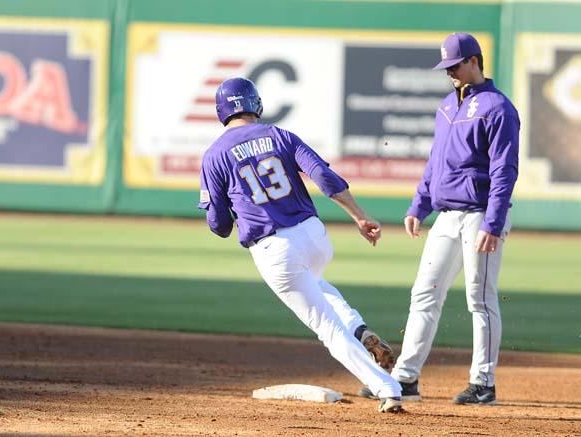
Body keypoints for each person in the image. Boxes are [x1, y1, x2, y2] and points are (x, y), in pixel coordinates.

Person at [198, 77, 403, 413]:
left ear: (222, 110)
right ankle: (359, 328)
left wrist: (225, 210)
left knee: (327, 328)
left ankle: (387, 387)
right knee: (319, 286)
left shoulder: (215, 155)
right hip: (314, 235)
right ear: (255, 104)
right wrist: (359, 216)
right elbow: (323, 176)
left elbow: (219, 226)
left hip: (274, 249)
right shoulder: (280, 135)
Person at [359, 33, 520, 405]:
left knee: (480, 299)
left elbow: (504, 171)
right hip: (446, 215)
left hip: (480, 215)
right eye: (446, 66)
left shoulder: (498, 108)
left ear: (475, 61)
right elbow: (437, 161)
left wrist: (493, 223)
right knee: (424, 294)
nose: (449, 72)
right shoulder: (448, 105)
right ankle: (406, 377)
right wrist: (420, 205)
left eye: (455, 65)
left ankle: (483, 383)